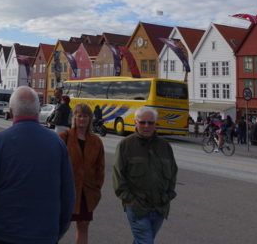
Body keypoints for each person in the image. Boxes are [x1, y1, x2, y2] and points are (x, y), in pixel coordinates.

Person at [0, 86, 75, 244]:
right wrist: (57, 230)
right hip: (44, 235)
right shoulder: (57, 144)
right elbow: (68, 194)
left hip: (4, 233)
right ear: (38, 111)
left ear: (11, 111)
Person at [113, 106, 177, 244]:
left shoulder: (165, 146)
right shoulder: (126, 145)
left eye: (150, 122)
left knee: (142, 241)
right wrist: (129, 199)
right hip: (138, 208)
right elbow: (118, 175)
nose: (146, 126)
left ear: (155, 124)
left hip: (159, 207)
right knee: (146, 242)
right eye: (142, 122)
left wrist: (168, 196)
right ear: (135, 123)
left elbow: (173, 173)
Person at [59, 103, 105, 244]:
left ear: (90, 118)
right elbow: (55, 164)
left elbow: (100, 167)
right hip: (66, 191)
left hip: (87, 192)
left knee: (83, 226)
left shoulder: (96, 141)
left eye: (85, 116)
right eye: (79, 116)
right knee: (59, 227)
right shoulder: (64, 137)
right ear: (74, 118)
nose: (82, 119)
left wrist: (96, 187)